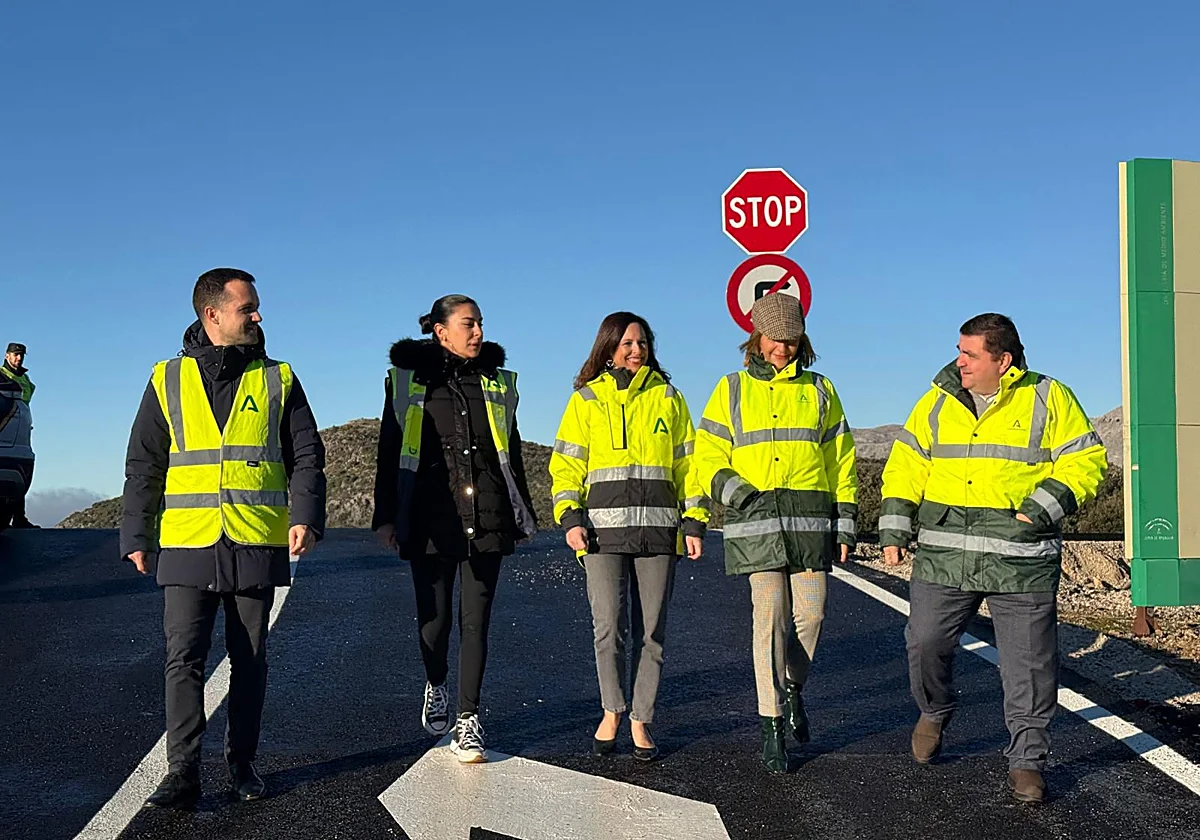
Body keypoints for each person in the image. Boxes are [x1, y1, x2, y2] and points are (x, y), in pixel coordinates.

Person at [120, 268, 327, 810]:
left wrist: (304, 515)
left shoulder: (278, 377)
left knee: (250, 659)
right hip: (188, 543)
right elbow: (144, 463)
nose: (258, 316)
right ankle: (182, 773)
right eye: (247, 308)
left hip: (255, 540)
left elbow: (308, 453)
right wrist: (136, 533)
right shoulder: (166, 378)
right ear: (212, 315)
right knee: (182, 660)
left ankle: (243, 764)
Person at [879, 313, 1106, 804]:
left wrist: (1038, 510)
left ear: (1002, 361)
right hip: (945, 554)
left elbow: (1086, 459)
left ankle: (1027, 760)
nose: (959, 361)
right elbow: (906, 463)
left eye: (970, 354)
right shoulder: (937, 400)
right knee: (924, 642)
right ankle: (935, 710)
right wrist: (895, 526)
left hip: (1019, 556)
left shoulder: (1050, 397)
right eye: (959, 351)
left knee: (1028, 666)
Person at [692, 293, 857, 773]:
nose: (782, 348)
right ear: (756, 339)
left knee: (812, 616)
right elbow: (707, 455)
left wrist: (844, 521)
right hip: (757, 523)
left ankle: (793, 688)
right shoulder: (731, 389)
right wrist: (737, 493)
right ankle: (771, 724)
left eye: (791, 339)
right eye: (774, 339)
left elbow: (841, 459)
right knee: (769, 624)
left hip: (808, 524)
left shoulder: (821, 390)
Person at [373, 294, 536, 765]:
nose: (478, 332)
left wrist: (519, 513)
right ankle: (437, 683)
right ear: (441, 331)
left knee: (476, 621)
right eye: (469, 324)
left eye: (481, 323)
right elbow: (389, 451)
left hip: (487, 514)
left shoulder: (497, 383)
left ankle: (469, 718)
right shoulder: (406, 383)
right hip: (429, 517)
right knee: (436, 620)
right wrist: (386, 516)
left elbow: (512, 452)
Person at [549, 312, 707, 761]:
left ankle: (641, 718)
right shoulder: (586, 400)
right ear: (608, 347)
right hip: (601, 536)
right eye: (626, 343)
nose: (635, 350)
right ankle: (612, 711)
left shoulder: (669, 398)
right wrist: (570, 517)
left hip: (659, 533)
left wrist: (694, 521)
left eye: (642, 343)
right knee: (608, 629)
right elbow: (566, 466)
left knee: (651, 631)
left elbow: (689, 465)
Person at [2, 342, 39, 528]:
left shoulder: (24, 378)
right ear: (7, 355)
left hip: (20, 427)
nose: (18, 358)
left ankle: (19, 517)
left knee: (20, 469)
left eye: (21, 355)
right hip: (7, 426)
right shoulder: (3, 376)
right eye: (15, 355)